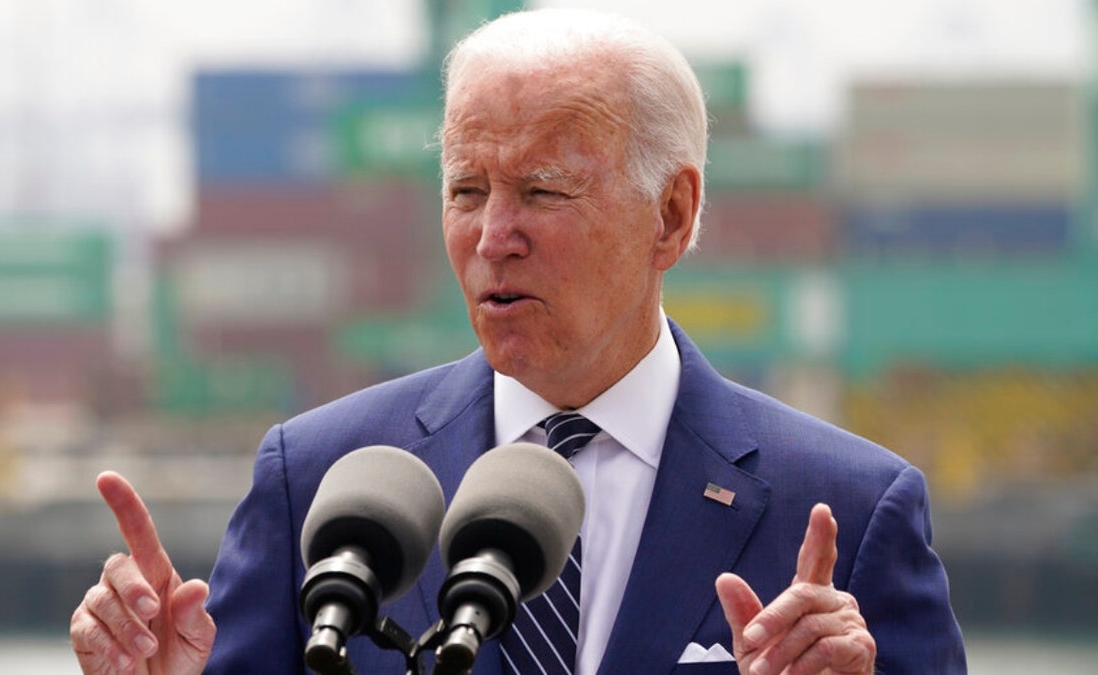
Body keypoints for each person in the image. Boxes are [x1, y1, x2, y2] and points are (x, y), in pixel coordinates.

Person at [70, 8, 966, 675]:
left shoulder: (853, 513)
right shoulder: (316, 478)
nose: (494, 235)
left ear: (672, 215)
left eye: (541, 192)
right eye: (466, 191)